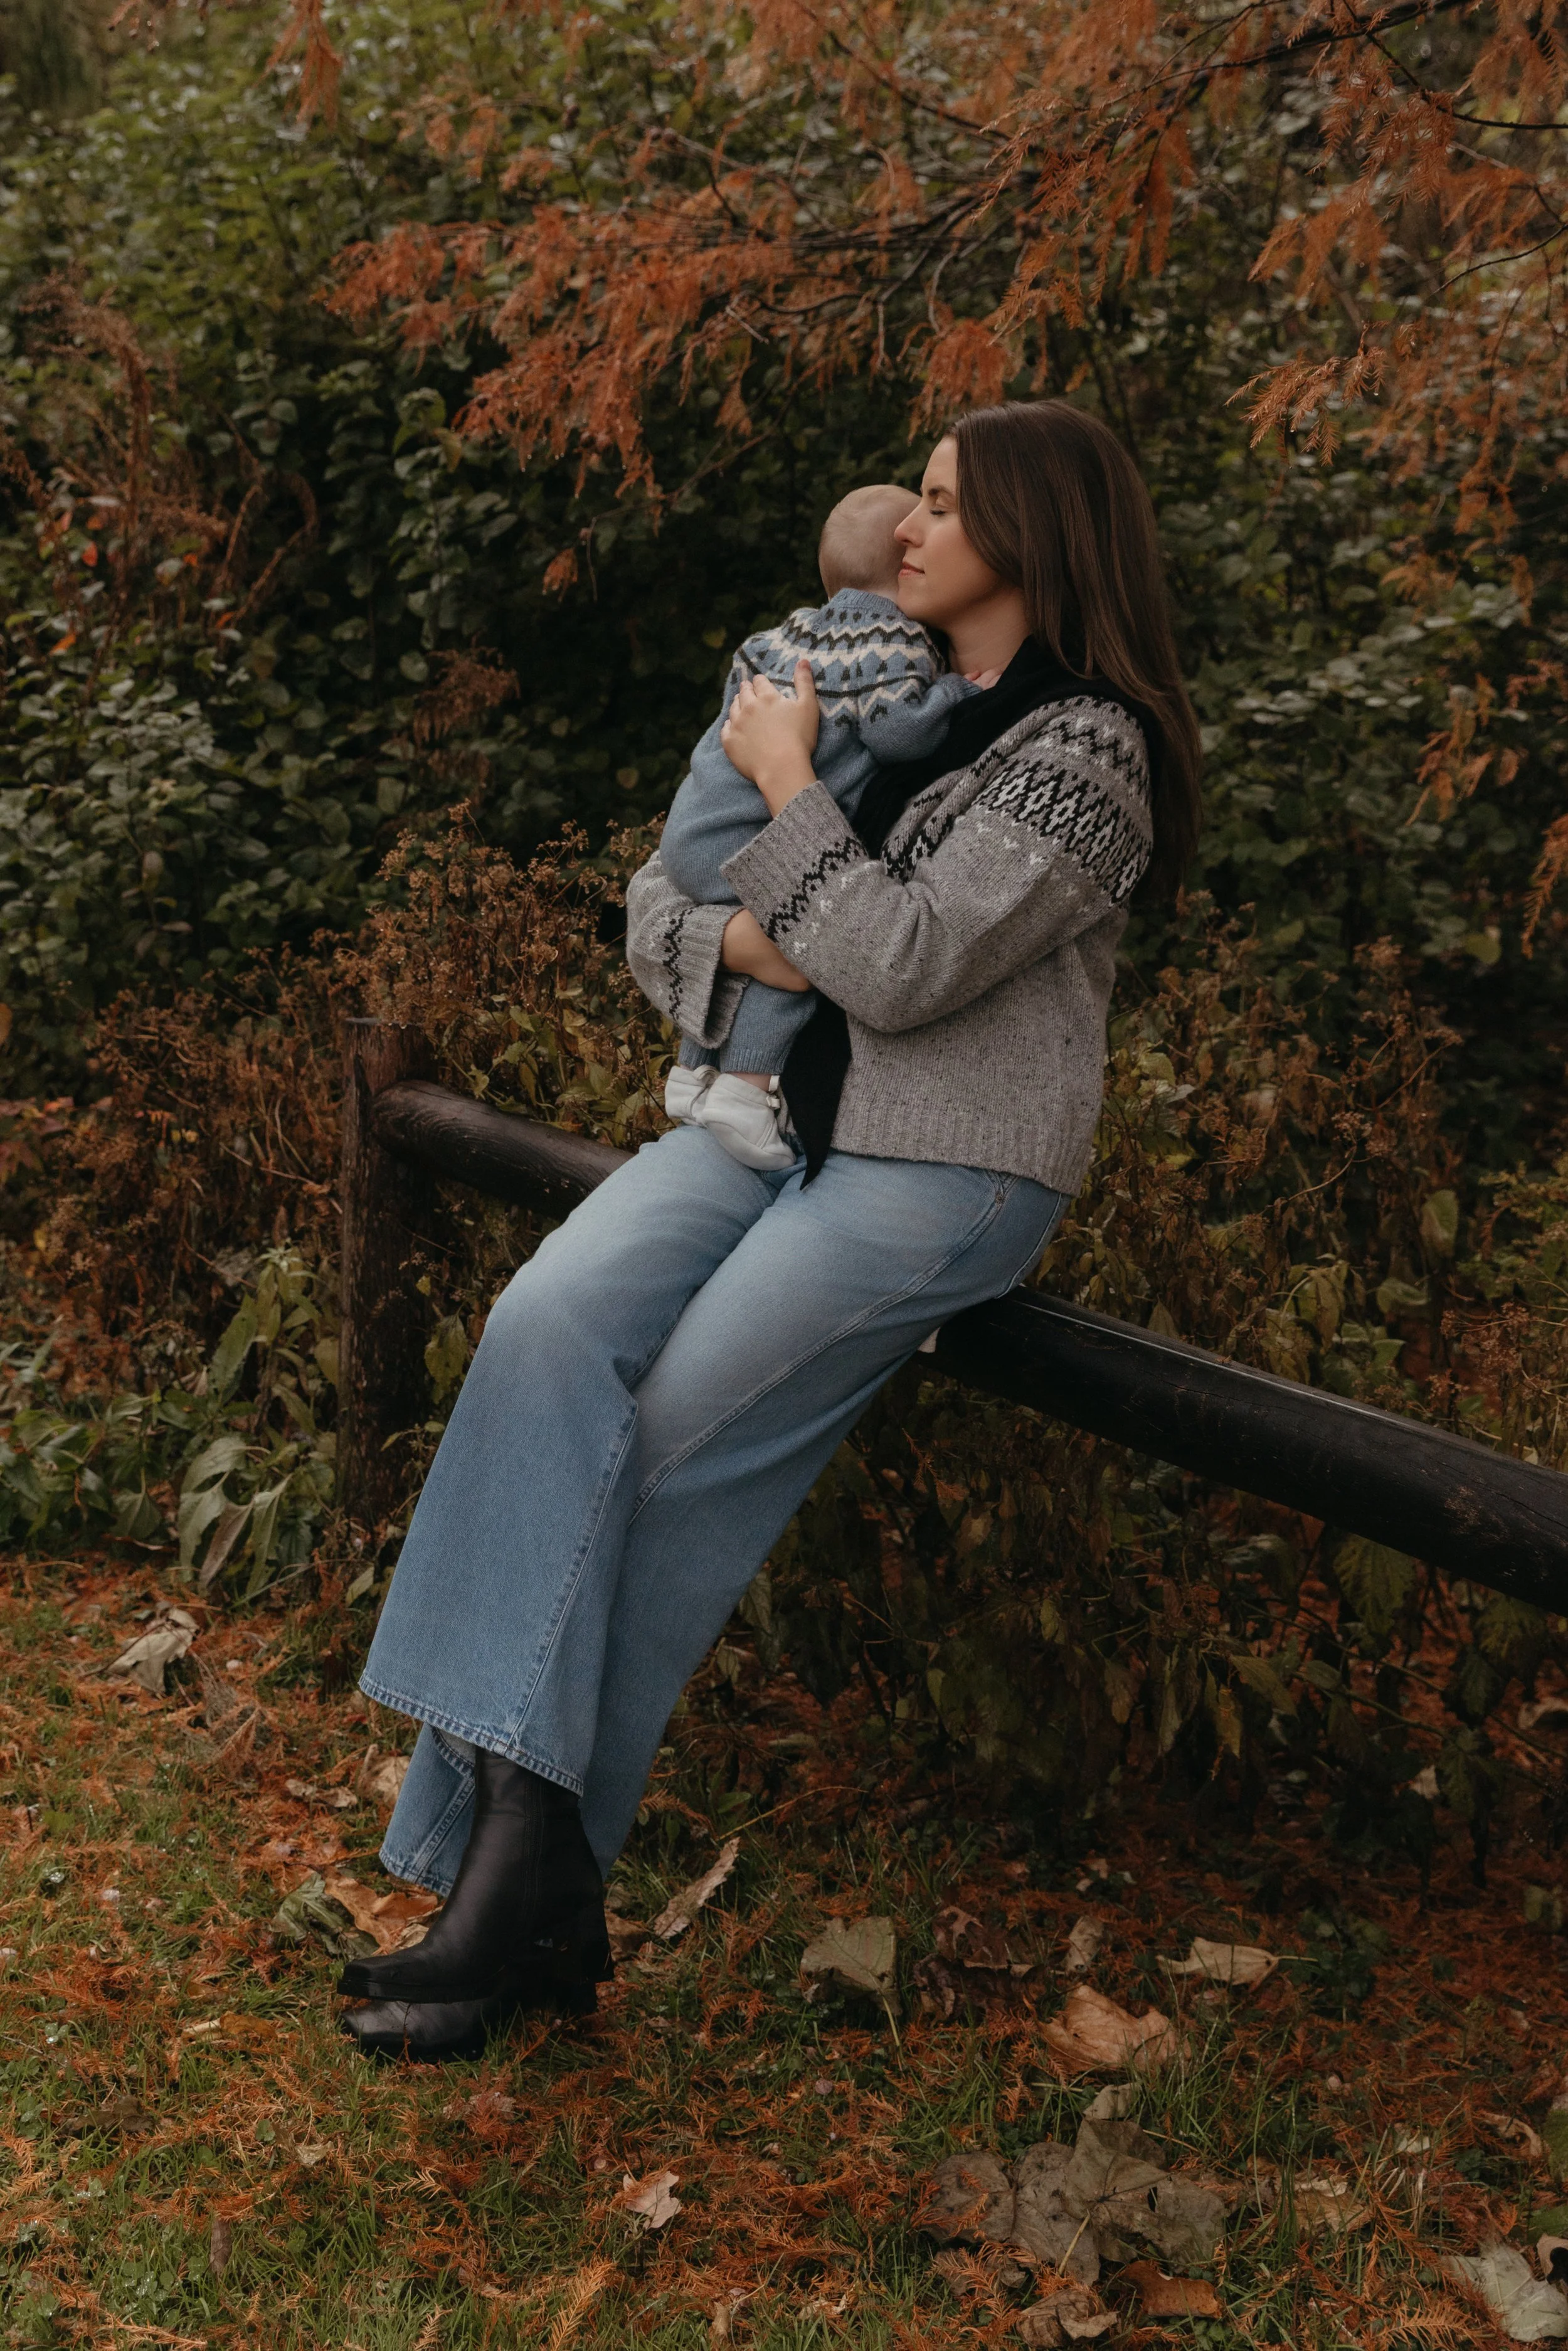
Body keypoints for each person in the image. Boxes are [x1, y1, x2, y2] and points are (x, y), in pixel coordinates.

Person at [339, 398, 1203, 2062]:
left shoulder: (1086, 749)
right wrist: (766, 936)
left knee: (656, 1455)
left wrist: (791, 791)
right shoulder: (878, 679)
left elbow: (899, 964)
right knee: (538, 1335)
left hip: (941, 1171)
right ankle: (532, 1897)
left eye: (946, 504)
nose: (909, 528)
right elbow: (659, 906)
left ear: (1036, 527)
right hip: (773, 1126)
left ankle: (511, 1885)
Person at [659, 481, 983, 1170]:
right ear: (904, 563)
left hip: (692, 826)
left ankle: (692, 1075)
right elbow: (898, 733)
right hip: (754, 835)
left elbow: (730, 719)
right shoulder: (890, 639)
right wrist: (954, 692)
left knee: (738, 941)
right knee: (798, 939)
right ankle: (744, 1093)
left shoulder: (775, 636)